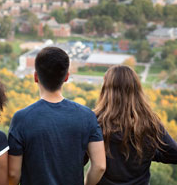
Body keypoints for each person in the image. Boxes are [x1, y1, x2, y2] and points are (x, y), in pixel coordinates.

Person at [8, 46, 106, 185]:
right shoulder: (87, 116)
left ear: (36, 77)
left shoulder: (21, 118)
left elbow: (13, 174)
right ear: (66, 77)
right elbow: (100, 166)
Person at [94, 65, 177, 185]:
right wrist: (147, 153)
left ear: (106, 90)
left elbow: (80, 160)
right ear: (136, 90)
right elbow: (176, 155)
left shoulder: (95, 121)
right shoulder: (149, 121)